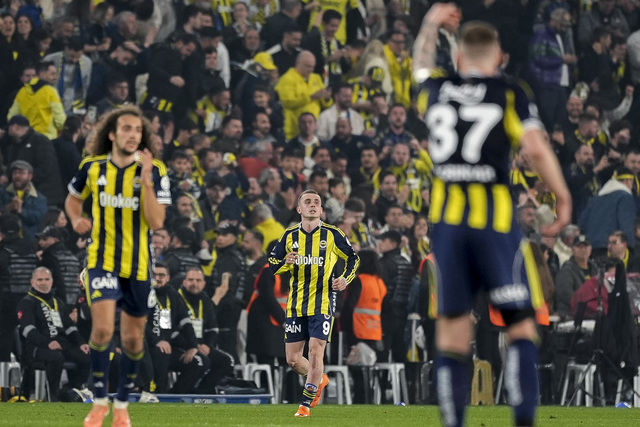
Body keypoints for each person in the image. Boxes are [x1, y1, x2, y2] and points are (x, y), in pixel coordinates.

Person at [412, 5, 571, 427]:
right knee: (520, 325)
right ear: (499, 57)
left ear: (458, 57)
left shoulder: (437, 88)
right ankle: (523, 421)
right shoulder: (510, 92)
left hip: (448, 228)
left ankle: (453, 423)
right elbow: (535, 147)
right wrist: (561, 196)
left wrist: (430, 25)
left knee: (452, 330)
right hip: (496, 225)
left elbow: (420, 66)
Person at [65, 106, 171, 427]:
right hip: (101, 261)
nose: (133, 135)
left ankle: (122, 405)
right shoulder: (92, 167)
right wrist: (76, 219)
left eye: (137, 130)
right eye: (126, 128)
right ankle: (99, 402)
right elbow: (73, 199)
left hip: (138, 267)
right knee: (101, 330)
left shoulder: (155, 169)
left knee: (133, 340)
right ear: (112, 134)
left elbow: (156, 220)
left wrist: (147, 180)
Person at [269, 189, 360, 417]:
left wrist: (344, 279)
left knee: (316, 351)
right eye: (307, 201)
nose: (312, 204)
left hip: (323, 302)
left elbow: (353, 258)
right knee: (293, 360)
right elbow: (272, 264)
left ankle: (305, 405)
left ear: (321, 209)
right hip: (296, 304)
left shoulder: (333, 234)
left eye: (316, 202)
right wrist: (285, 261)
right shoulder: (289, 236)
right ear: (299, 209)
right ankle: (320, 379)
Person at [16, 267, 91, 401]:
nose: (43, 283)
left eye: (46, 279)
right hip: (36, 347)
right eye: (40, 280)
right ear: (32, 282)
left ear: (52, 281)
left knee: (86, 356)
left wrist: (81, 343)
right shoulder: (27, 302)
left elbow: (70, 328)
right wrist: (47, 342)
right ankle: (52, 397)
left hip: (61, 344)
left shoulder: (58, 302)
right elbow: (27, 330)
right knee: (56, 357)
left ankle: (73, 391)